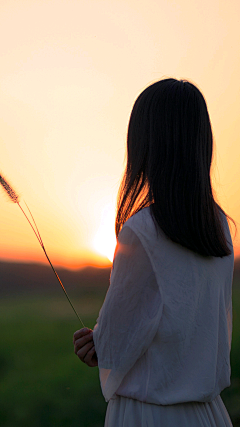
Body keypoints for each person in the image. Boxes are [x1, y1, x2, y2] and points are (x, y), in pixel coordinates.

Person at [73, 78, 235, 426]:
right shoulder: (221, 228)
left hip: (147, 415)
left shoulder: (142, 231)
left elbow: (115, 348)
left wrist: (96, 344)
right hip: (209, 414)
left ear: (145, 143)